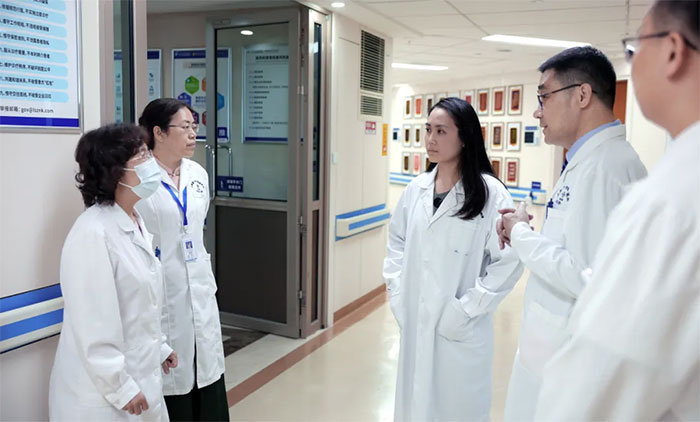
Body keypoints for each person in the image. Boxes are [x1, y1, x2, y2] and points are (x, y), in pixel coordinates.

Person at [535, 1, 699, 419]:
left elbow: (605, 376)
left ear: (673, 50)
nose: (631, 62)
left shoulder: (669, 198)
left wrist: (521, 237)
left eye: (635, 46)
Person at [497, 46, 648, 421]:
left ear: (582, 95)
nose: (537, 111)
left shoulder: (605, 169)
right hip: (552, 353)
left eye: (544, 96)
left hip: (570, 365)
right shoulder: (588, 162)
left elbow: (588, 277)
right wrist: (524, 231)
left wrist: (521, 235)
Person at [383, 97, 523, 421]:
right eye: (428, 129)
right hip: (416, 320)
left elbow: (508, 261)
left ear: (464, 137)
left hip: (460, 329)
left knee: (456, 409)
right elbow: (396, 242)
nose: (430, 139)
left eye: (441, 131)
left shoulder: (490, 194)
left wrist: (467, 309)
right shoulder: (416, 189)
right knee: (414, 405)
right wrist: (398, 293)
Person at [49, 124, 177, 420]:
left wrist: (159, 348)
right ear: (115, 172)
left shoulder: (134, 221)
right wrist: (120, 386)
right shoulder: (93, 233)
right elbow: (92, 322)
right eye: (142, 156)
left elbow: (139, 306)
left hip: (138, 379)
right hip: (101, 395)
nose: (151, 162)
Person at [136, 98, 228, 421]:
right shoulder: (138, 178)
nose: (193, 134)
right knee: (173, 387)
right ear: (158, 133)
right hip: (162, 291)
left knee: (207, 372)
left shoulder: (198, 173)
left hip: (199, 291)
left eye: (194, 126)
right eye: (184, 127)